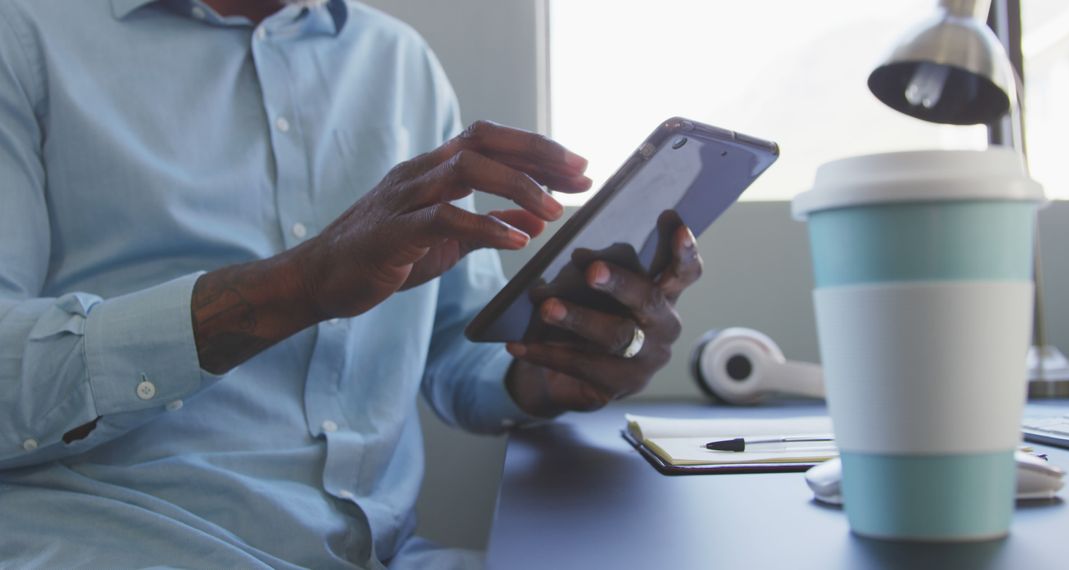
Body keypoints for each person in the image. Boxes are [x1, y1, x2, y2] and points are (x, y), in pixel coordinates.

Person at [0, 0, 702, 567]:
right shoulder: (24, 37)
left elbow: (455, 352)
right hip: (123, 543)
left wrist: (554, 366)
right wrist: (297, 285)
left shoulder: (400, 62)